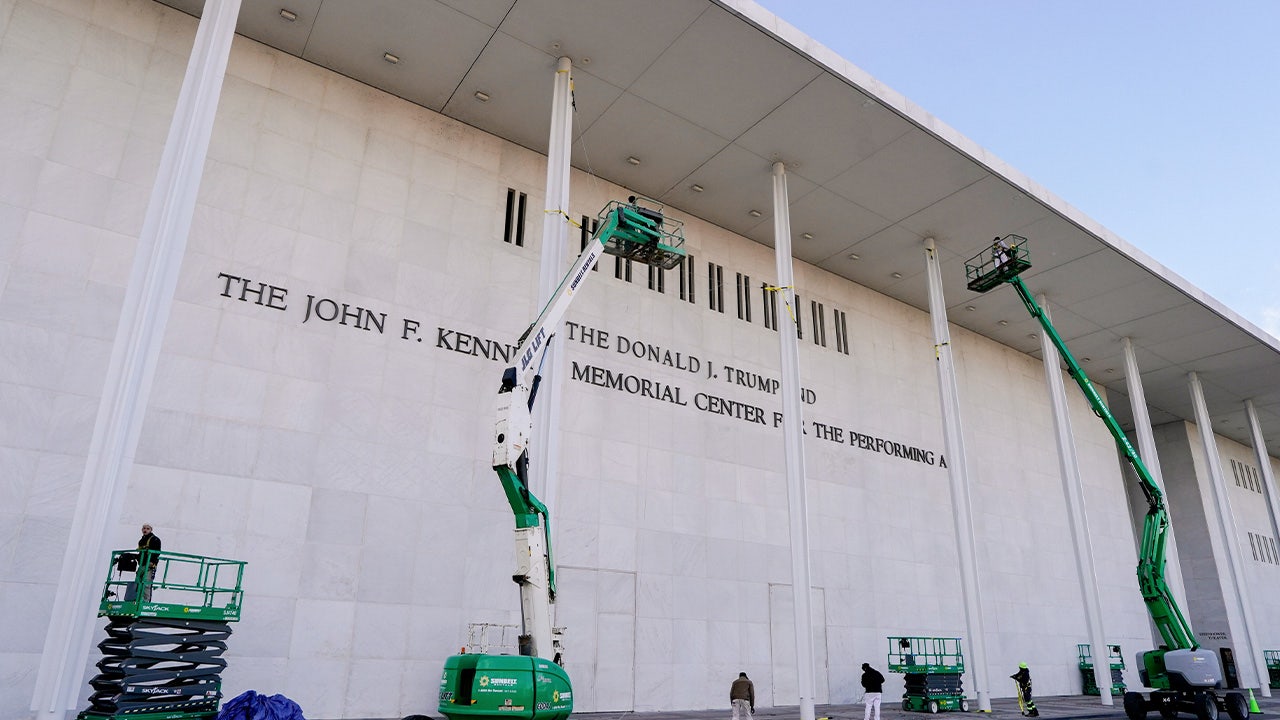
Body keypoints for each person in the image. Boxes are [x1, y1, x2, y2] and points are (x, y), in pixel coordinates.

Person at [137, 523, 162, 601]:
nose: (145, 530)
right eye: (144, 528)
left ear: (151, 530)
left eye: (148, 528)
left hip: (149, 565)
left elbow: (157, 552)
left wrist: (153, 562)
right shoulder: (142, 540)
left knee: (146, 584)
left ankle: (145, 602)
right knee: (138, 583)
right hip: (142, 565)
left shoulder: (155, 540)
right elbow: (140, 552)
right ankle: (137, 600)